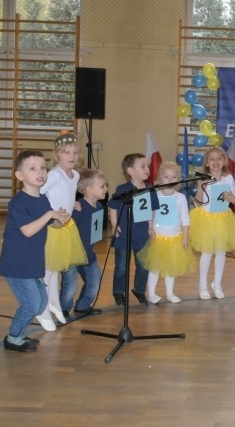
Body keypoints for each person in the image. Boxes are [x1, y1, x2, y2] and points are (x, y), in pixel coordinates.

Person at [0, 150, 70, 352]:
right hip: (17, 263)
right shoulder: (19, 202)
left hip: (32, 262)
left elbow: (47, 224)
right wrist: (49, 214)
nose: (40, 172)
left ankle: (19, 335)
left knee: (39, 305)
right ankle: (13, 337)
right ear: (19, 176)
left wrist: (59, 220)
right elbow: (28, 230)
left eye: (43, 168)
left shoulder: (42, 199)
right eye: (32, 168)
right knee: (31, 304)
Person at [37, 131, 87, 331]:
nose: (72, 156)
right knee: (48, 271)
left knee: (56, 269)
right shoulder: (54, 174)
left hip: (67, 226)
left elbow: (64, 193)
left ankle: (54, 304)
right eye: (66, 152)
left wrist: (72, 202)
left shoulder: (74, 175)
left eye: (74, 152)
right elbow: (38, 193)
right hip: (53, 228)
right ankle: (41, 309)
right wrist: (50, 212)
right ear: (57, 155)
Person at [190, 146, 235, 300]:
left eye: (219, 158)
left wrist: (230, 198)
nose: (215, 162)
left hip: (222, 219)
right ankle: (202, 286)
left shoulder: (228, 178)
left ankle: (217, 284)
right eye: (211, 159)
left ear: (224, 161)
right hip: (206, 218)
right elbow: (199, 203)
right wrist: (201, 187)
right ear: (207, 162)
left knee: (220, 253)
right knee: (206, 253)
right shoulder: (204, 179)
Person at [138, 161, 195, 303]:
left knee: (171, 267)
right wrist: (150, 227)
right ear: (159, 178)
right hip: (158, 238)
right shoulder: (155, 195)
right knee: (155, 268)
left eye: (174, 177)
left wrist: (186, 237)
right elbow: (150, 213)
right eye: (166, 176)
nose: (170, 180)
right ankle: (151, 293)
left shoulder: (180, 198)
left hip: (174, 238)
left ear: (178, 179)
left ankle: (170, 293)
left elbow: (185, 219)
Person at [108, 153, 159, 306]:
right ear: (130, 171)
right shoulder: (123, 189)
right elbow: (112, 206)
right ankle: (118, 292)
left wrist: (150, 226)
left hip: (142, 233)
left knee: (143, 265)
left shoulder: (150, 189)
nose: (147, 169)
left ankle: (139, 290)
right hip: (123, 233)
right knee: (122, 266)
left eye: (147, 166)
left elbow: (151, 209)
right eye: (142, 166)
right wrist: (114, 224)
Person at [61, 168, 108, 316]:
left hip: (88, 253)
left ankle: (82, 305)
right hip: (71, 254)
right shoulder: (78, 209)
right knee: (70, 284)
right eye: (102, 186)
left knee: (94, 281)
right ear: (88, 189)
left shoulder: (100, 206)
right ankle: (63, 307)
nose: (106, 188)